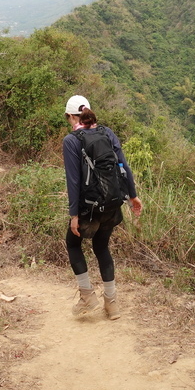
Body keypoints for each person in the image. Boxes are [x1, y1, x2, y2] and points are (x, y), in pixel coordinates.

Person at [62, 94, 142, 320]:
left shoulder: (72, 141)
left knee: (73, 243)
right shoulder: (107, 132)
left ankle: (87, 295)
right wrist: (132, 196)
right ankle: (112, 303)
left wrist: (74, 214)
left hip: (89, 206)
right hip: (113, 202)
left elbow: (74, 181)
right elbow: (123, 166)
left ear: (70, 116)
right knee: (102, 247)